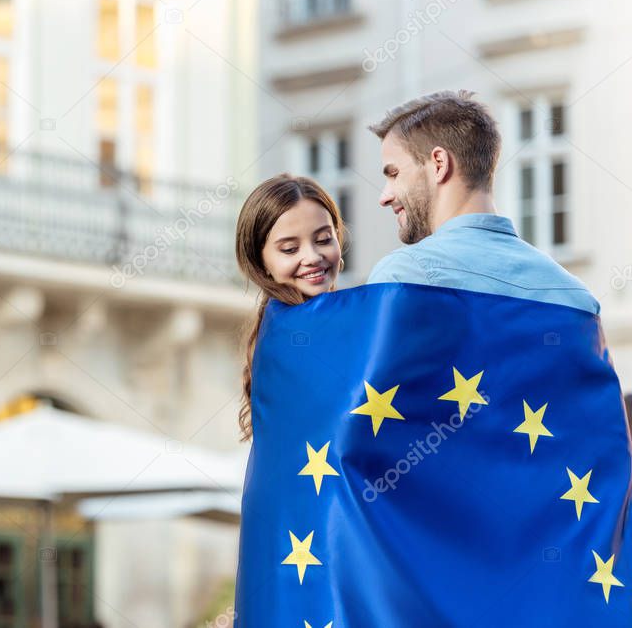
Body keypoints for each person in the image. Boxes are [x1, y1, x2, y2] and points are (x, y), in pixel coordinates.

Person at [366, 89, 599, 314]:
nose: (384, 198)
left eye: (394, 174)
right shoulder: (578, 298)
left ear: (439, 164)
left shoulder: (402, 276)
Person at [234, 174, 348, 441]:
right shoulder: (287, 340)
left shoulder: (346, 319)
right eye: (289, 249)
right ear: (261, 263)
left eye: (323, 240)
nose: (312, 257)